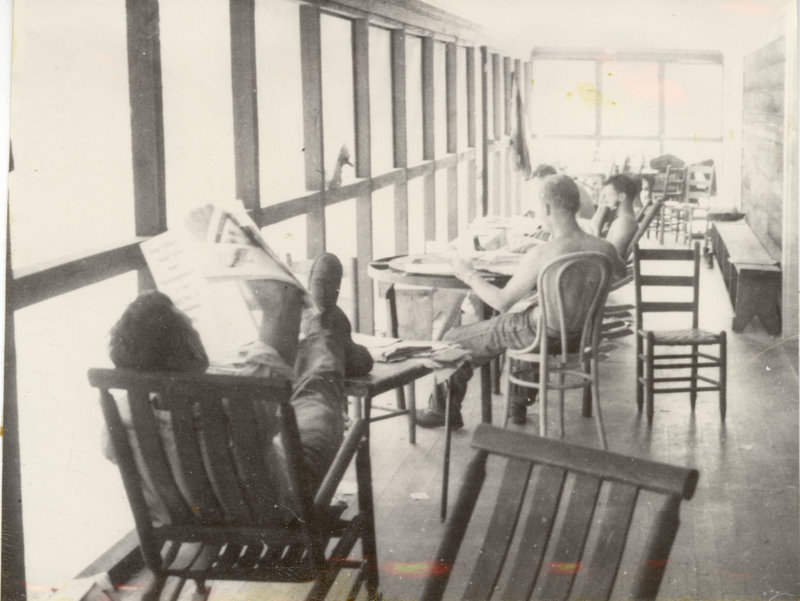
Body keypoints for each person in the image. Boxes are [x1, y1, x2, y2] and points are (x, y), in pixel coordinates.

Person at [102, 253, 369, 524]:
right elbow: (286, 300)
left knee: (282, 405)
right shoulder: (239, 406)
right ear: (191, 347)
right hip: (275, 513)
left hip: (189, 518)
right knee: (317, 389)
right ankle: (325, 325)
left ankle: (331, 340)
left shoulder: (121, 420)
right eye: (191, 327)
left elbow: (114, 452)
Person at [416, 174, 625, 428]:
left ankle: (443, 410)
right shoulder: (604, 249)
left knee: (453, 340)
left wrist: (467, 274)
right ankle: (519, 404)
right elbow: (621, 271)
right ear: (576, 206)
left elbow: (502, 302)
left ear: (547, 208)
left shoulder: (543, 253)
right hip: (581, 335)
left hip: (541, 331)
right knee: (528, 318)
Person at [600, 174, 640, 259]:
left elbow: (612, 258)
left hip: (606, 269)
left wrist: (596, 228)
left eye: (608, 195)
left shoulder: (625, 222)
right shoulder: (622, 219)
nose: (605, 200)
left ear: (621, 197)